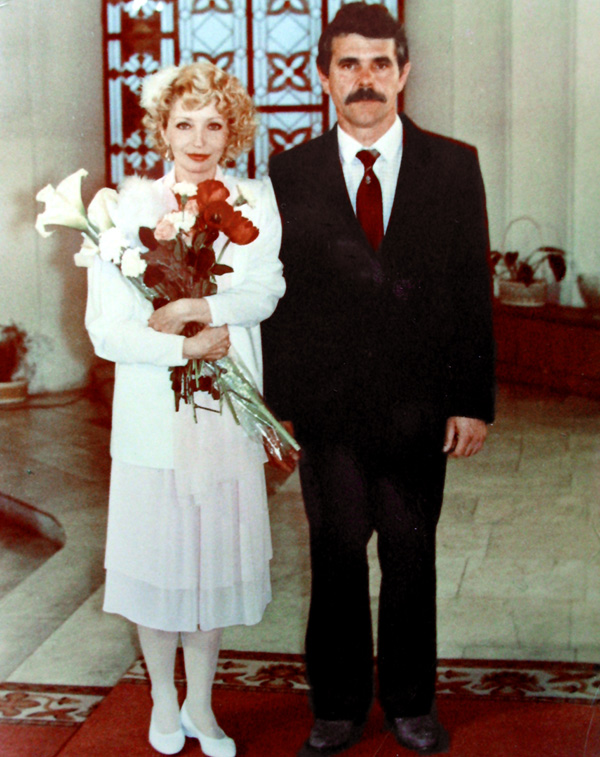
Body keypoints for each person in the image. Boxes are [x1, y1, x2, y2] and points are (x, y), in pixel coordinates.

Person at [262, 3, 495, 754]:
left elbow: (470, 288)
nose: (365, 79)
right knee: (334, 553)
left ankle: (410, 703)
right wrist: (278, 408)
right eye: (349, 64)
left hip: (418, 406)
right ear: (323, 75)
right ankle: (335, 707)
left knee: (410, 552)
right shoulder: (290, 171)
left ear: (404, 72)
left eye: (380, 63)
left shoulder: (453, 165)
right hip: (327, 409)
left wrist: (471, 401)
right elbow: (280, 300)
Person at [85, 62, 285, 756]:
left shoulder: (255, 200)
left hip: (223, 411)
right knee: (158, 560)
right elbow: (106, 330)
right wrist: (182, 348)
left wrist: (201, 307)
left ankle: (201, 701)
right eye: (184, 124)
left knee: (210, 560)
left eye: (214, 125)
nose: (199, 140)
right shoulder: (126, 207)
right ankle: (163, 700)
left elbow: (265, 290)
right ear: (162, 130)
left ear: (233, 133)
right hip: (153, 411)